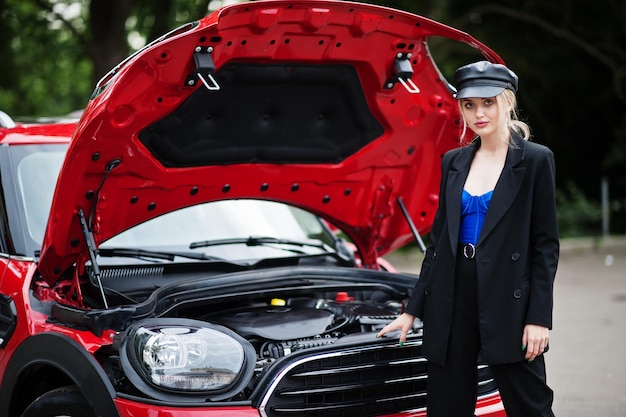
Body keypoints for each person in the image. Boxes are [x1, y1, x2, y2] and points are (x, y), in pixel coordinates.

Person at [377, 60, 559, 417]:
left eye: (488, 102)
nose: (479, 113)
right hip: (452, 296)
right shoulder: (453, 161)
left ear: (507, 102)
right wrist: (412, 310)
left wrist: (539, 318)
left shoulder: (535, 160)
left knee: (530, 407)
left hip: (509, 299)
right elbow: (439, 243)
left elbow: (545, 246)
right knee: (446, 406)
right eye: (469, 104)